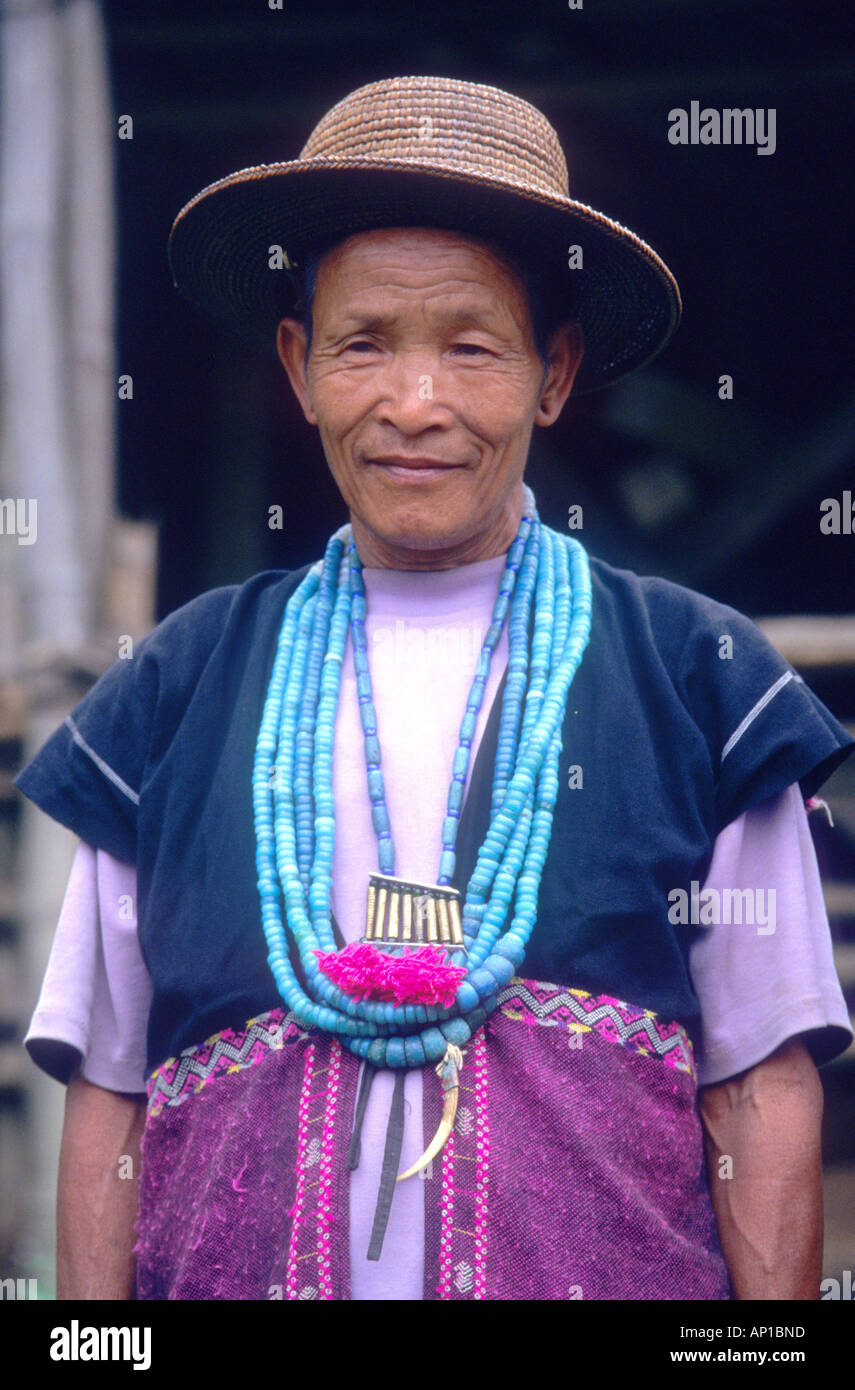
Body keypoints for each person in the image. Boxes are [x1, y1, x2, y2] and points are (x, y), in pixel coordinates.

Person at [17, 76, 853, 1302]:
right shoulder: (176, 691)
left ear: (553, 372)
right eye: (364, 345)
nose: (417, 405)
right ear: (301, 370)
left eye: (471, 346)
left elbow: (760, 1076)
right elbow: (112, 1085)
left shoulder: (700, 680)